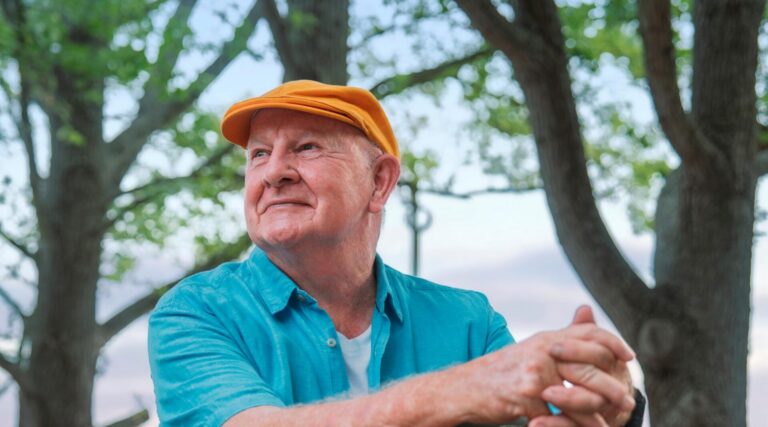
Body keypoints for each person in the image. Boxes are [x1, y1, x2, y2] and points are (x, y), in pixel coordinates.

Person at [148, 80, 644, 427]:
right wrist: (463, 389)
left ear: (379, 182)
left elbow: (544, 412)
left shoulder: (470, 321)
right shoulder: (197, 311)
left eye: (306, 148)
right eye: (259, 153)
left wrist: (607, 406)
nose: (274, 171)